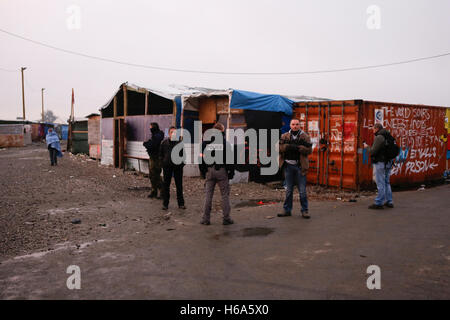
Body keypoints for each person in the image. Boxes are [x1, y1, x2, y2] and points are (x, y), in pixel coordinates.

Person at [199, 122, 235, 226]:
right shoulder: (225, 144)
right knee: (225, 195)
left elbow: (201, 158)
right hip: (222, 171)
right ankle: (226, 218)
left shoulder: (205, 143)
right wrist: (231, 172)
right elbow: (230, 160)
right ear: (222, 131)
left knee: (208, 195)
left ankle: (205, 219)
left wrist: (203, 171)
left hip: (210, 171)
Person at [278, 118, 312, 219]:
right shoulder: (285, 136)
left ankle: (304, 211)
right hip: (288, 166)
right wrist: (288, 147)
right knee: (288, 190)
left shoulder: (305, 136)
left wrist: (300, 148)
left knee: (302, 191)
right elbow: (279, 148)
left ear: (299, 125)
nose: (295, 126)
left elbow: (309, 150)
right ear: (290, 125)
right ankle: (287, 210)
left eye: (297, 124)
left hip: (300, 167)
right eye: (293, 124)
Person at [363, 123, 394, 209]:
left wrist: (366, 147)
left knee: (380, 183)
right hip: (389, 161)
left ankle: (379, 203)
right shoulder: (388, 135)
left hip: (381, 162)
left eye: (373, 129)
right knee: (387, 182)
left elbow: (373, 151)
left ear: (377, 128)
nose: (372, 131)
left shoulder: (379, 137)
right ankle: (389, 201)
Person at [159, 126, 185, 210]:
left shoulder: (180, 143)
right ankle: (165, 204)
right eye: (171, 132)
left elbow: (183, 156)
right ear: (169, 134)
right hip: (167, 167)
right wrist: (163, 163)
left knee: (179, 186)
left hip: (178, 168)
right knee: (166, 185)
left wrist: (181, 165)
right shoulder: (164, 143)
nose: (173, 134)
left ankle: (181, 204)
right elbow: (160, 155)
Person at [143, 122, 164, 199]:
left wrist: (147, 144)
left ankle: (162, 191)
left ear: (154, 127)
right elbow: (151, 144)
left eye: (151, 127)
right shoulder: (155, 135)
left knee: (156, 175)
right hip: (152, 157)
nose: (150, 129)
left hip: (157, 158)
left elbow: (153, 145)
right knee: (152, 175)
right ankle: (154, 191)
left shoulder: (158, 135)